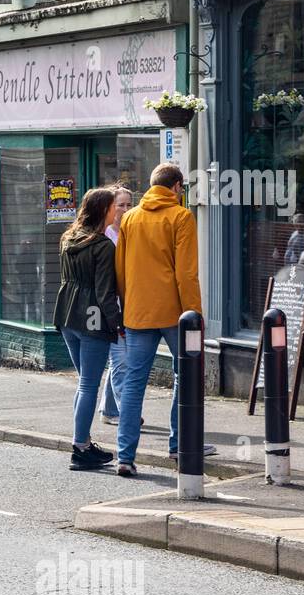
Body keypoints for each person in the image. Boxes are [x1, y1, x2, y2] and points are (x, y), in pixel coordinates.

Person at [113, 163, 214, 477]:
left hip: (138, 312)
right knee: (184, 376)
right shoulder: (181, 217)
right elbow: (186, 274)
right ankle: (179, 445)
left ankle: (125, 456)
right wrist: (194, 315)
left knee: (133, 383)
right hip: (174, 313)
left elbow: (121, 270)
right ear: (177, 187)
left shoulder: (130, 218)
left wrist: (127, 305)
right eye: (181, 189)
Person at [52, 187, 121, 471]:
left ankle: (83, 441)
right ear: (103, 211)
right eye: (114, 207)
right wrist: (117, 323)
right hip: (92, 318)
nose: (117, 211)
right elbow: (105, 292)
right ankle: (80, 448)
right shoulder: (104, 246)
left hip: (67, 314)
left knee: (84, 384)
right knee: (89, 385)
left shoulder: (68, 238)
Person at [99, 185, 133, 426]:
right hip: (112, 307)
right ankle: (127, 413)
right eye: (120, 205)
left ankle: (109, 410)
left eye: (128, 204)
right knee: (121, 361)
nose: (125, 209)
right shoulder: (104, 236)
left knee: (119, 361)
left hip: (132, 305)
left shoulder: (132, 231)